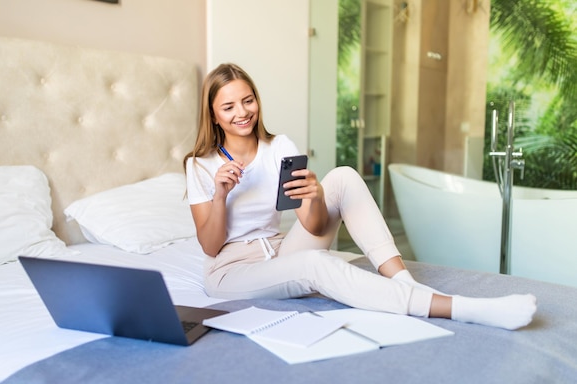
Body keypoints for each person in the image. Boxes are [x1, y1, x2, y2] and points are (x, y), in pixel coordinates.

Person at [183, 62, 537, 330]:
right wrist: (219, 196)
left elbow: (316, 225)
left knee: (344, 177)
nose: (242, 113)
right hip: (231, 271)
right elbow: (211, 247)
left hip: (278, 251)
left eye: (248, 101)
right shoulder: (200, 164)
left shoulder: (279, 148)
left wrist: (316, 195)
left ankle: (403, 282)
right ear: (213, 114)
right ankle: (461, 307)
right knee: (316, 266)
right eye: (228, 107)